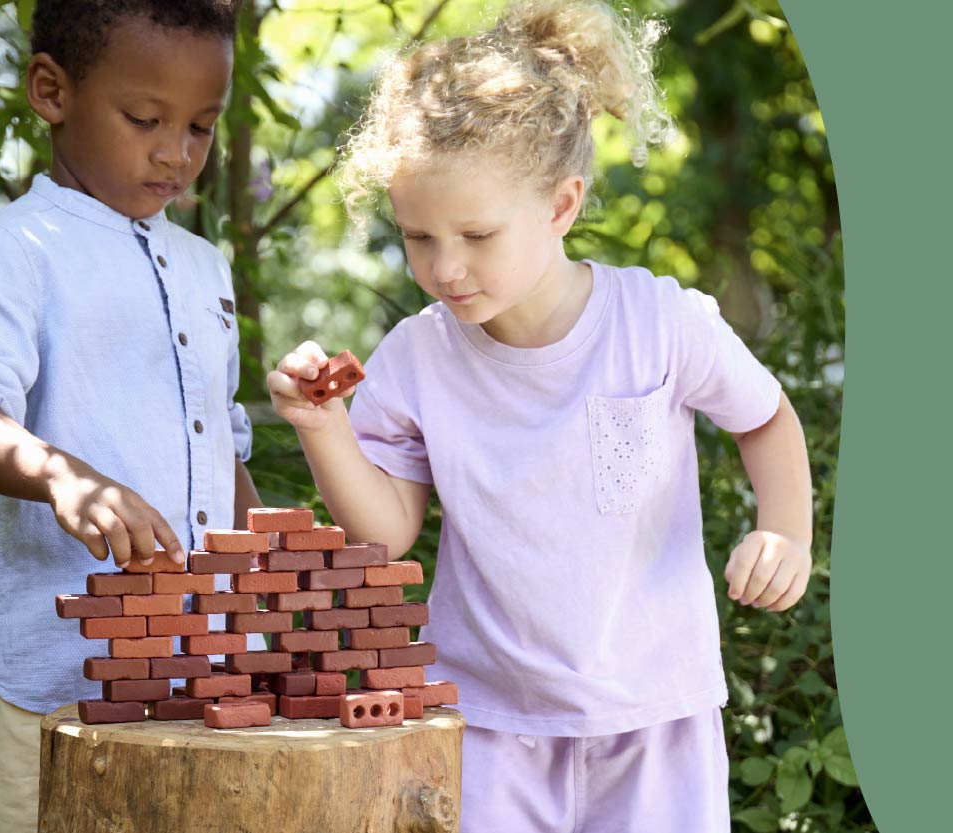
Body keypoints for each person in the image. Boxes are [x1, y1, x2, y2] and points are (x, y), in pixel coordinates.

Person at [267, 1, 814, 828]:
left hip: (654, 718)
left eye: (476, 234)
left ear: (561, 206)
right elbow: (383, 535)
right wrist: (323, 429)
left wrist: (786, 531)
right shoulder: (416, 357)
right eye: (418, 237)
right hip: (486, 724)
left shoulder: (657, 323)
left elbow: (766, 418)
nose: (444, 268)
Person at [0, 2, 256, 829]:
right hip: (45, 694)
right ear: (50, 90)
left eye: (203, 128)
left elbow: (221, 442)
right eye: (145, 119)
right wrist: (65, 478)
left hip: (190, 691)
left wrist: (275, 575)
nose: (176, 152)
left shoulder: (205, 265)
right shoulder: (16, 249)